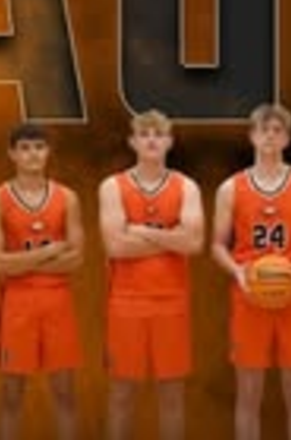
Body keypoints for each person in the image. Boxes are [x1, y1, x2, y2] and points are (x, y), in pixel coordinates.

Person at [211, 103, 291, 440]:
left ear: (287, 138)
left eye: (277, 130)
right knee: (249, 392)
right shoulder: (230, 188)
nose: (270, 136)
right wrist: (237, 271)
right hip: (249, 293)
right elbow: (217, 244)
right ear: (252, 136)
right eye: (264, 130)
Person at [99, 111, 205, 440]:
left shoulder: (186, 186)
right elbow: (116, 246)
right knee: (121, 393)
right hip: (125, 302)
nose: (151, 139)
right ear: (133, 142)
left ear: (169, 142)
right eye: (144, 134)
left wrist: (142, 231)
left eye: (158, 134)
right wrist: (170, 238)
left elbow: (193, 242)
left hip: (171, 302)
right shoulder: (113, 186)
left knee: (171, 395)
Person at [0, 123, 85, 440]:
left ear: (48, 152)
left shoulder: (67, 198)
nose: (33, 154)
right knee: (12, 394)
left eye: (39, 147)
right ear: (12, 153)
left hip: (57, 302)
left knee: (65, 393)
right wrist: (52, 250)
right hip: (17, 303)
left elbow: (77, 259)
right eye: (25, 148)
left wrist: (25, 262)